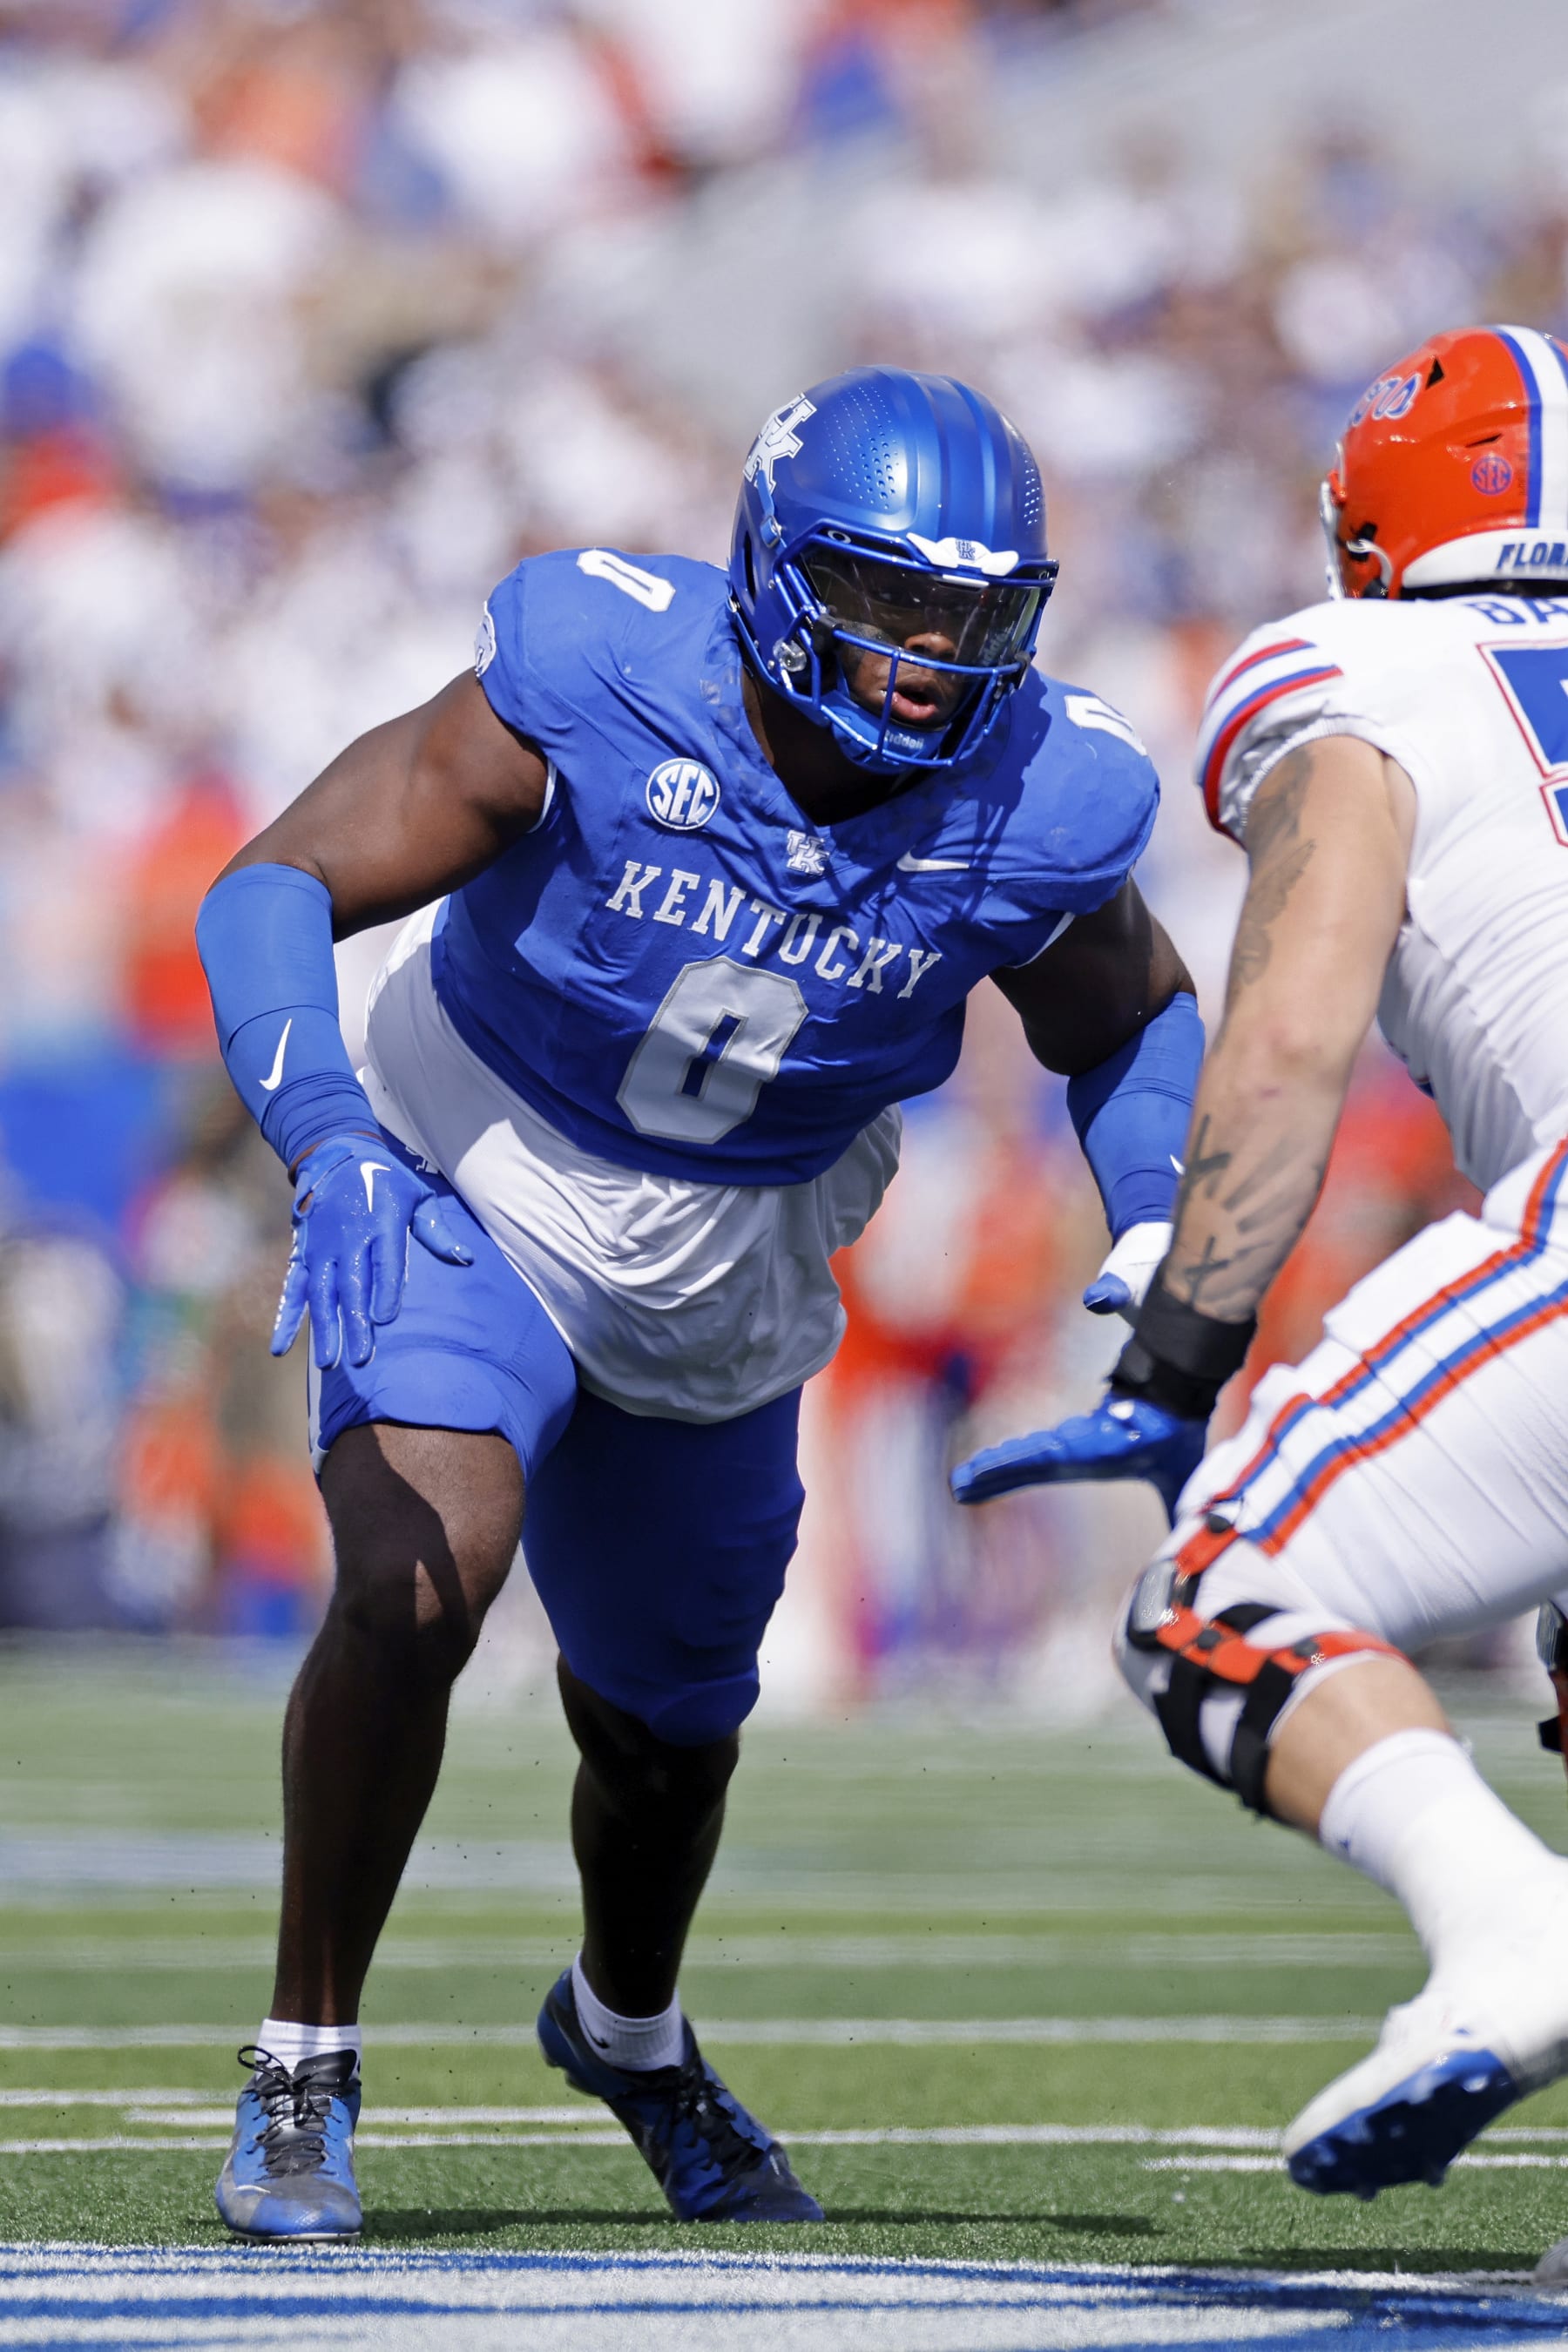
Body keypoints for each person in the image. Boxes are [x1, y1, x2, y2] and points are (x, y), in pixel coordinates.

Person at [195, 366, 1201, 2241]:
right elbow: (278, 884)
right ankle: (300, 2063)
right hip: (471, 1149)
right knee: (424, 1568)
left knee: (668, 1732)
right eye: (888, 604)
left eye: (970, 617)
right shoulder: (605, 670)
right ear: (774, 573)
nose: (924, 663)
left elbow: (1132, 1017)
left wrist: (1156, 1220)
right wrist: (324, 1129)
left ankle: (630, 2036)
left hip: (737, 1245)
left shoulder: (1038, 797)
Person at [953, 324, 1568, 2228]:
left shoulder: (1359, 663)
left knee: (1220, 1587)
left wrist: (1182, 1348)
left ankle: (1513, 1934)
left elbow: (1292, 1025)